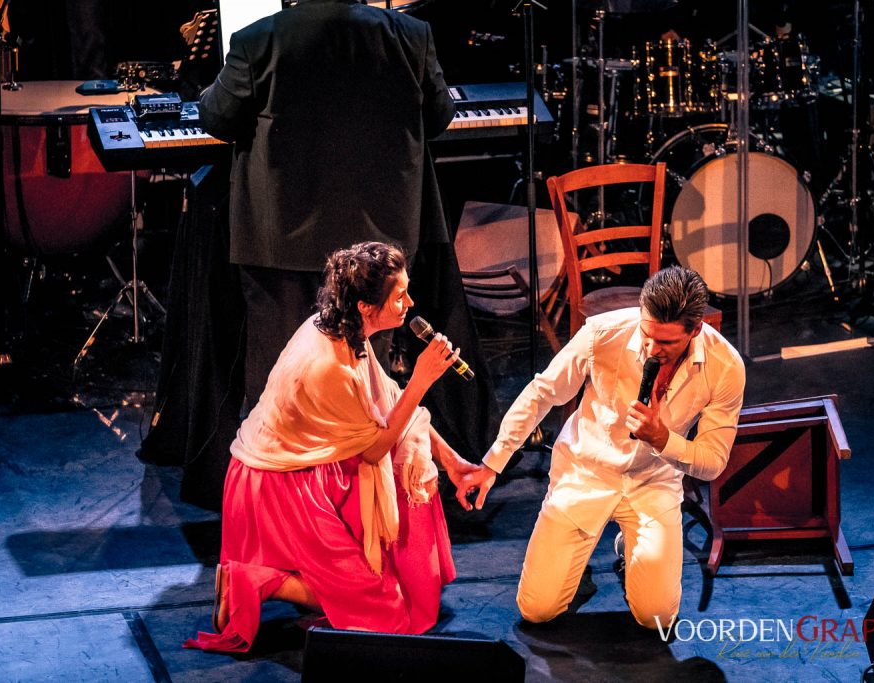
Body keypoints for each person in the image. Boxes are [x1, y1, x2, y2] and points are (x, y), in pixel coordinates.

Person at [184, 241, 478, 653]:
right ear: (365, 306)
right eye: (399, 296)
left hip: (312, 468)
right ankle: (249, 581)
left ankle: (334, 585)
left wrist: (451, 461)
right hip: (277, 485)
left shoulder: (348, 331)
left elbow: (391, 405)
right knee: (387, 612)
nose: (410, 303)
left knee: (410, 465)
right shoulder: (329, 366)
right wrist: (423, 380)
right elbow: (376, 448)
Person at [197, 0, 456, 407]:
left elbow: (216, 118)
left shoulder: (258, 40)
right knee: (369, 376)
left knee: (279, 378)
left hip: (281, 240)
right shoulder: (411, 36)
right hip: (376, 246)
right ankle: (365, 467)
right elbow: (439, 117)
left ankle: (284, 468)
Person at [458, 266, 745, 630]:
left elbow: (713, 462)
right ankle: (573, 564)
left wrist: (662, 439)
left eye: (666, 343)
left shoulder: (725, 367)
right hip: (586, 473)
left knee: (657, 617)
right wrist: (493, 463)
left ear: (695, 329)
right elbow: (542, 392)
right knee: (536, 609)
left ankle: (631, 548)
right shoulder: (602, 333)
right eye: (647, 335)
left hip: (652, 482)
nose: (652, 350)